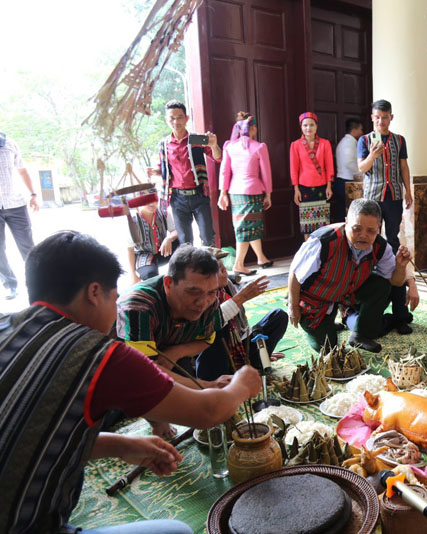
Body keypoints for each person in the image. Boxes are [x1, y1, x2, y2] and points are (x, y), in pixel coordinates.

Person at [0, 231, 260, 534]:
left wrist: (120, 445)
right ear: (94, 293)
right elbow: (207, 413)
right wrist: (241, 383)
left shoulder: (7, 325)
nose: (116, 309)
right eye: (114, 295)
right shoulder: (97, 353)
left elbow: (31, 435)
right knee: (176, 532)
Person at [117, 245, 241, 437]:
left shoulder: (210, 300)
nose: (203, 302)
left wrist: (176, 352)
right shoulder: (139, 306)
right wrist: (208, 386)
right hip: (121, 362)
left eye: (211, 292)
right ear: (168, 284)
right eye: (193, 292)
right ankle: (156, 421)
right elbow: (146, 372)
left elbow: (207, 340)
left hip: (167, 346)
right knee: (117, 406)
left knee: (181, 368)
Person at [288, 198, 412, 353]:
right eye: (356, 229)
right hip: (315, 301)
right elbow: (295, 273)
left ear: (379, 228)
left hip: (345, 292)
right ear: (346, 222)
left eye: (371, 231)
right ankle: (327, 321)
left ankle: (360, 334)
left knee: (381, 284)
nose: (363, 236)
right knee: (328, 349)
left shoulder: (381, 246)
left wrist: (400, 266)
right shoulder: (323, 241)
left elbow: (395, 282)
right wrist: (293, 307)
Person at [357, 100, 416, 334]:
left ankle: (400, 314)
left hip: (393, 198)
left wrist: (408, 190)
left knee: (392, 243)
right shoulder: (364, 141)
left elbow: (403, 167)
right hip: (372, 200)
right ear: (372, 118)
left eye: (385, 117)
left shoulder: (399, 140)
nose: (381, 121)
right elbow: (362, 168)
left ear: (391, 117)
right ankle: (372, 304)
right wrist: (372, 155)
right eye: (377, 117)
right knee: (370, 244)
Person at [195, 247, 288, 381]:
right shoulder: (199, 296)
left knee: (278, 316)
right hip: (215, 357)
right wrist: (241, 298)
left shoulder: (227, 286)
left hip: (238, 347)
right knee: (219, 332)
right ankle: (226, 376)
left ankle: (255, 362)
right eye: (218, 269)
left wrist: (260, 349)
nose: (225, 271)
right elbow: (210, 323)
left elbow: (242, 325)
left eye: (223, 267)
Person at [147, 100, 221, 247]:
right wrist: (154, 171)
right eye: (171, 118)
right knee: (185, 241)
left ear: (186, 118)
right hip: (177, 198)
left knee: (207, 237)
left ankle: (213, 269)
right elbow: (164, 168)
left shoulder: (197, 139)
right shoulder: (164, 143)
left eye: (179, 117)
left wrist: (214, 145)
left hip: (200, 195)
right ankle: (190, 270)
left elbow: (218, 158)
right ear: (166, 120)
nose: (176, 121)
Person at [218, 114, 274, 275]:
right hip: (252, 191)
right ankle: (238, 264)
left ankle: (261, 258)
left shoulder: (229, 146)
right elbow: (266, 173)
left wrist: (223, 193)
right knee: (246, 228)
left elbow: (224, 172)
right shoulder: (259, 147)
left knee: (249, 226)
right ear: (253, 128)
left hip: (235, 192)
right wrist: (268, 194)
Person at [0, 132, 39, 300]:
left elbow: (22, 171)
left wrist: (33, 194)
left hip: (16, 203)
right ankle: (10, 285)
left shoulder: (10, 144)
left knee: (28, 247)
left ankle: (37, 283)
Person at [291, 112, 334, 238]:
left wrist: (329, 186)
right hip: (304, 187)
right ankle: (309, 251)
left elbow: (329, 166)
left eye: (311, 125)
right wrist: (296, 189)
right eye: (305, 125)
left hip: (322, 187)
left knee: (323, 223)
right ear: (301, 127)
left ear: (316, 126)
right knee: (307, 225)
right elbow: (294, 169)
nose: (308, 128)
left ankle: (322, 252)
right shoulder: (295, 145)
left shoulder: (325, 143)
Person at [127, 193, 179, 284]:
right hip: (144, 256)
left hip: (163, 250)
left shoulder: (163, 212)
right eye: (147, 201)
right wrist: (133, 275)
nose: (152, 204)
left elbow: (175, 230)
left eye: (154, 200)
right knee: (151, 276)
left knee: (183, 243)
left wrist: (168, 239)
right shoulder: (133, 221)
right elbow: (130, 249)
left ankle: (178, 279)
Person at [333, 118, 364, 223]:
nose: (361, 132)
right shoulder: (349, 143)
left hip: (342, 181)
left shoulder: (346, 142)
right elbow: (349, 163)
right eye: (360, 129)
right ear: (354, 130)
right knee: (346, 215)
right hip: (346, 182)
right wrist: (362, 173)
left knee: (344, 213)